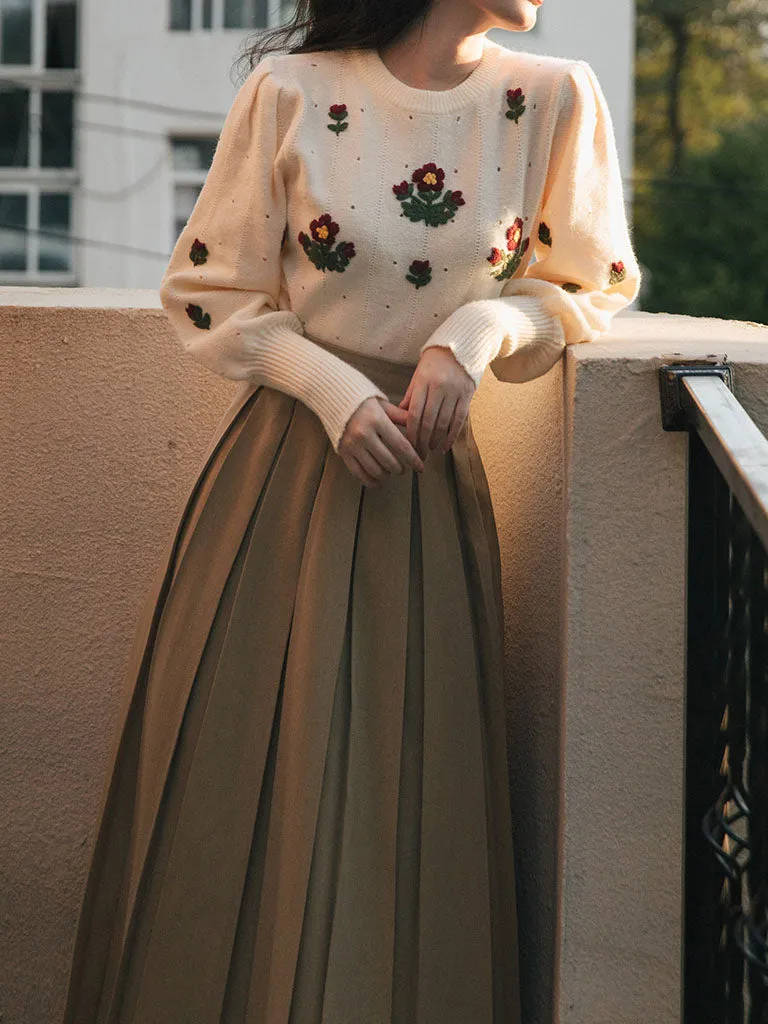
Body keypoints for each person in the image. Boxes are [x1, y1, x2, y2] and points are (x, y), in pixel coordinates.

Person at [60, 0, 641, 1020]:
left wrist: (472, 330)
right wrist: (334, 392)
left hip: (426, 488)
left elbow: (588, 285)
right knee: (248, 780)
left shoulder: (552, 98)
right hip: (284, 486)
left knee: (409, 801)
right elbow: (211, 291)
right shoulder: (289, 94)